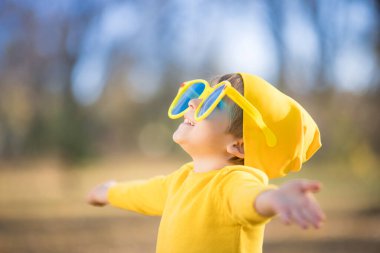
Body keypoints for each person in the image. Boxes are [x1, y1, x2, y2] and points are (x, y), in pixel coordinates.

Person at [87, 73, 325, 253]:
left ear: (240, 146)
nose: (193, 104)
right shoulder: (181, 179)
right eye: (199, 95)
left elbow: (250, 198)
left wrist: (274, 198)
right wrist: (109, 192)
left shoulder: (233, 182)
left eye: (213, 103)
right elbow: (143, 193)